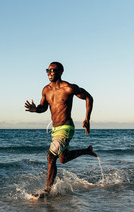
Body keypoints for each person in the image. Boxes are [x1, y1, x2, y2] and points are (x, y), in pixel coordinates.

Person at [25, 61, 97, 198]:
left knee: (51, 157)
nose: (49, 73)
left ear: (60, 72)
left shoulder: (68, 88)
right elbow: (43, 107)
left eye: (52, 70)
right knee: (63, 158)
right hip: (55, 129)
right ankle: (87, 151)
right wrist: (35, 109)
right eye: (47, 70)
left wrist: (87, 118)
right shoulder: (46, 89)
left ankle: (47, 191)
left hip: (66, 127)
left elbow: (88, 97)